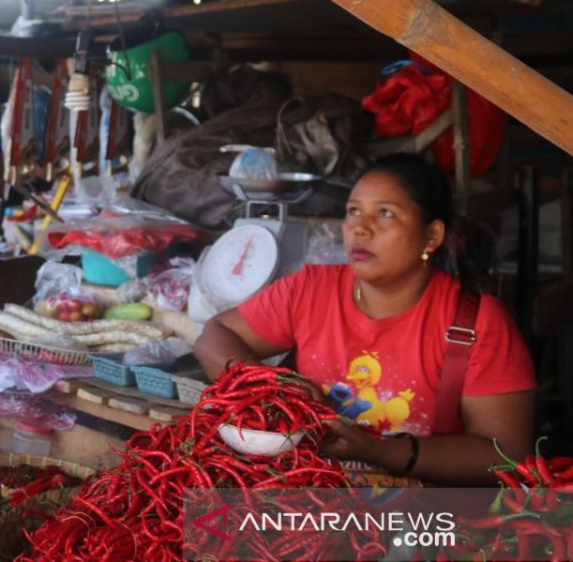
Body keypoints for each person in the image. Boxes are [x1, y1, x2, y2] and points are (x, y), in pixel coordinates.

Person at [194, 153, 535, 485]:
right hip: (313, 500)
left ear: (432, 236)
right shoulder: (310, 290)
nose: (360, 228)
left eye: (385, 213)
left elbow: (504, 456)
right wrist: (272, 384)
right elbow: (215, 335)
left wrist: (378, 452)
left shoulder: (477, 322)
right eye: (353, 211)